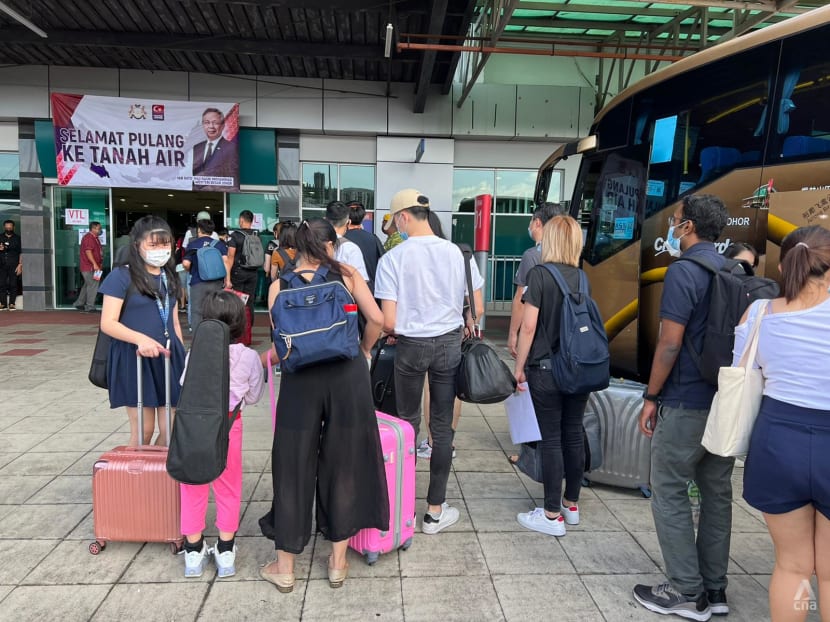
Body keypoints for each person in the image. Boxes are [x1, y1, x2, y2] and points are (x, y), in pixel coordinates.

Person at [259, 218, 388, 594]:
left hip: (300, 382)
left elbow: (280, 341)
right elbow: (378, 319)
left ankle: (285, 567)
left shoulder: (279, 286)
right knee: (343, 463)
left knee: (292, 465)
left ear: (297, 247)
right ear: (330, 246)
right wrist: (363, 349)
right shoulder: (346, 275)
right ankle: (337, 563)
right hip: (347, 377)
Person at [634, 194, 733, 621]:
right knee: (717, 493)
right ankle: (714, 587)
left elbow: (670, 343)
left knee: (669, 489)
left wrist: (651, 396)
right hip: (724, 401)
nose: (671, 228)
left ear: (688, 226)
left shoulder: (683, 272)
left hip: (686, 400)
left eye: (675, 220)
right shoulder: (733, 271)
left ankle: (685, 591)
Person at [375, 189, 482, 535]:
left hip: (410, 346)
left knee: (407, 423)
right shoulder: (458, 253)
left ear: (403, 217)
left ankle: (402, 506)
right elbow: (477, 305)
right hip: (449, 344)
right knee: (441, 427)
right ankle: (435, 512)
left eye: (395, 222)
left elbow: (389, 321)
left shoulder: (393, 258)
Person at [737, 226, 830, 622]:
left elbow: (742, 371)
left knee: (792, 565)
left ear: (783, 266)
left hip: (777, 441)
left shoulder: (760, 313)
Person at [511, 215, 593, 537]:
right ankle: (571, 504)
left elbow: (529, 325)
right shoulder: (582, 278)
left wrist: (519, 366)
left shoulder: (539, 274)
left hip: (546, 370)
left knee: (551, 439)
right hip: (578, 368)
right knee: (573, 433)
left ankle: (550, 514)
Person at [180, 290, 264, 579]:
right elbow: (253, 396)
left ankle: (193, 552)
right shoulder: (249, 357)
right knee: (228, 487)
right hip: (230, 427)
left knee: (192, 485)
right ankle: (226, 551)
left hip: (195, 429)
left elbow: (184, 386)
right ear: (240, 322)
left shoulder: (194, 354)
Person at [99, 215, 186, 447]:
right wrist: (140, 339)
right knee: (143, 432)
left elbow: (174, 322)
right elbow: (108, 322)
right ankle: (136, 470)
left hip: (169, 357)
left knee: (172, 432)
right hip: (136, 358)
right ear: (137, 245)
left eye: (165, 244)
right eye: (153, 244)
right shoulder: (121, 276)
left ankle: (158, 469)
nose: (161, 250)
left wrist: (183, 357)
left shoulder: (170, 277)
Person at [417, 211, 485, 461]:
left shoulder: (415, 256)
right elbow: (478, 305)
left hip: (422, 333)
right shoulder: (461, 254)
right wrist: (469, 323)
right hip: (453, 333)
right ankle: (447, 442)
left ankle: (432, 442)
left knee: (430, 388)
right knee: (452, 388)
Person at [507, 202, 567, 358]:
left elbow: (521, 299)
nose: (530, 226)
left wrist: (513, 334)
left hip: (538, 338)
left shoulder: (532, 256)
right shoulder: (570, 255)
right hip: (564, 335)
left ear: (538, 223)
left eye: (531, 221)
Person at [182, 219, 230, 330]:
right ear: (212, 231)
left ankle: (198, 339)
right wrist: (228, 280)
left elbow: (186, 263)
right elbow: (226, 262)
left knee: (197, 312)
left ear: (199, 230)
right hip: (216, 283)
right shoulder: (219, 244)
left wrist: (189, 269)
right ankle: (215, 336)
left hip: (198, 283)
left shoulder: (193, 244)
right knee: (216, 311)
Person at [226, 210, 260, 326]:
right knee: (249, 302)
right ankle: (249, 327)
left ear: (241, 220)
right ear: (251, 221)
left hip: (238, 272)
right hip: (253, 272)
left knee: (238, 301)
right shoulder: (256, 234)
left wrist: (228, 278)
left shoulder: (235, 236)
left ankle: (238, 328)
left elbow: (230, 257)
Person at [192, 108, 239, 192]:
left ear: (223, 125)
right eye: (207, 122)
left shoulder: (231, 148)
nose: (211, 126)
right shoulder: (197, 148)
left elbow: (234, 177)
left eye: (215, 123)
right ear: (203, 125)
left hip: (220, 193)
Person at [344, 201, 384, 293]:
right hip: (372, 291)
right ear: (363, 218)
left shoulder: (340, 240)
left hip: (348, 292)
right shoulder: (373, 238)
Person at [325, 201, 369, 282]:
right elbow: (361, 281)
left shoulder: (314, 242)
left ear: (325, 220)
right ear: (348, 222)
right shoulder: (351, 248)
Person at [73, 221, 103, 313]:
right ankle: (90, 306)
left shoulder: (95, 238)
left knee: (87, 285)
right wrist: (95, 264)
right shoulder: (89, 238)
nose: (100, 230)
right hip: (90, 267)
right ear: (93, 228)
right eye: (99, 228)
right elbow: (88, 252)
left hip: (95, 267)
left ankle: (79, 303)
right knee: (93, 285)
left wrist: (98, 264)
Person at [0, 220, 22, 310]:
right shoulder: (0, 237)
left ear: (13, 227)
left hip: (14, 264)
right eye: (7, 227)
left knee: (13, 284)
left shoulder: (18, 238)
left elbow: (21, 252)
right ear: (4, 227)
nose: (8, 228)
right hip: (1, 264)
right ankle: (3, 304)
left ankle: (12, 303)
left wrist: (20, 265)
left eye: (10, 227)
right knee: (1, 284)